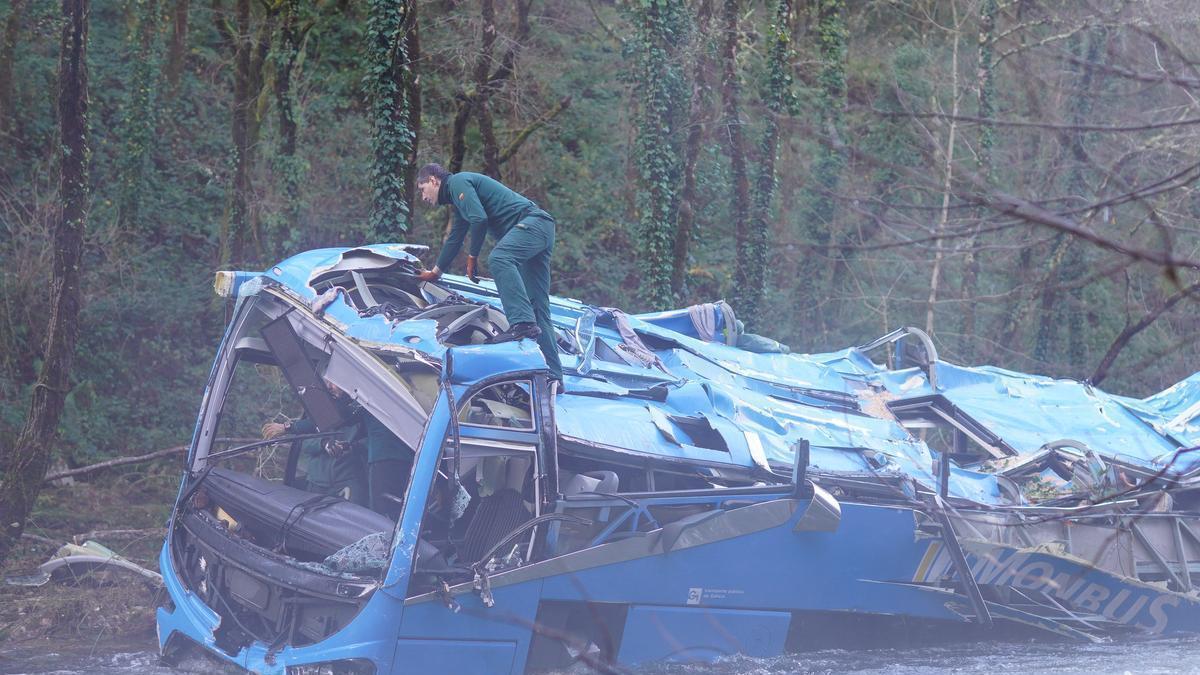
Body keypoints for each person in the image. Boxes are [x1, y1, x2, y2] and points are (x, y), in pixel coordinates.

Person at [415, 163, 563, 384]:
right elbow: (456, 237)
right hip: (540, 229)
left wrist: (472, 257)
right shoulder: (459, 201)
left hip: (532, 224)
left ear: (434, 180)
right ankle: (554, 377)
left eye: (422, 188)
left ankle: (522, 324)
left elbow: (480, 219)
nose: (423, 196)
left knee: (500, 258)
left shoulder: (458, 182)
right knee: (538, 308)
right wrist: (435, 272)